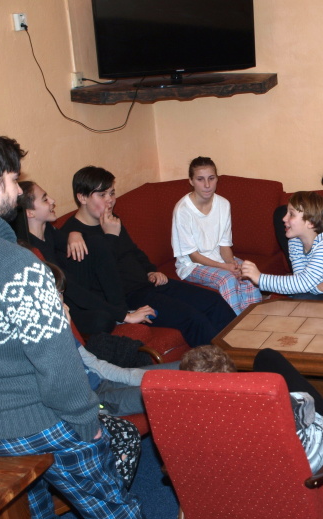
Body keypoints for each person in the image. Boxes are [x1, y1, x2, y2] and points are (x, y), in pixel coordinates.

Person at [0, 130, 177, 519]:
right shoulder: (19, 265)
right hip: (38, 416)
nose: (17, 188)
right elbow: (57, 363)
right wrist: (87, 422)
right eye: (12, 179)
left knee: (26, 490)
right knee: (102, 495)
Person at [61, 165, 236, 348]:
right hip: (129, 298)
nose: (110, 200)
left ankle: (243, 354)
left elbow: (133, 252)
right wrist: (110, 235)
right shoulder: (72, 239)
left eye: (112, 193)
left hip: (148, 283)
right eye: (102, 195)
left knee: (213, 302)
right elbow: (98, 281)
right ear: (82, 197)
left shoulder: (110, 220)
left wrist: (151, 271)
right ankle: (220, 364)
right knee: (192, 318)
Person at [16, 180, 155, 335]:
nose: (52, 201)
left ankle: (121, 308)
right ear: (30, 213)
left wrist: (75, 233)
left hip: (75, 290)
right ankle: (121, 315)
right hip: (64, 304)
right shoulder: (32, 251)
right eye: (45, 199)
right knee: (103, 320)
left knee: (97, 243)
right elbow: (72, 289)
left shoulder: (47, 230)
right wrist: (125, 316)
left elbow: (88, 247)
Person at [45, 261, 179, 417]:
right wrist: (62, 335)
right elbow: (64, 385)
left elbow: (95, 365)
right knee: (174, 391)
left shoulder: (60, 325)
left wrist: (138, 376)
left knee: (188, 367)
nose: (60, 301)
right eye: (52, 294)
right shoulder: (37, 342)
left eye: (60, 293)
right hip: (95, 400)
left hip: (105, 382)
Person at [180, 345, 323, 473]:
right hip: (309, 464)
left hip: (249, 478)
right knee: (267, 357)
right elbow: (308, 404)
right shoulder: (269, 403)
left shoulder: (181, 423)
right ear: (234, 374)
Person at [172, 157, 262, 315]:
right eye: (200, 179)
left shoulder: (223, 204)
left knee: (248, 272)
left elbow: (224, 245)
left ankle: (255, 320)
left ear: (217, 179)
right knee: (228, 279)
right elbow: (193, 256)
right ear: (191, 181)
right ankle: (234, 324)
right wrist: (226, 268)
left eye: (211, 178)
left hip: (219, 259)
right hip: (192, 266)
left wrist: (232, 264)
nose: (207, 185)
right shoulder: (183, 210)